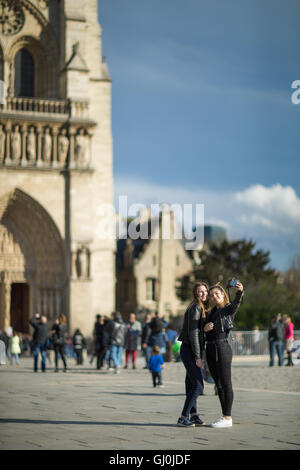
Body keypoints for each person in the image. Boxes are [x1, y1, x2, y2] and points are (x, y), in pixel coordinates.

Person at [204, 280, 244, 428]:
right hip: (210, 348)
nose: (214, 296)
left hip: (222, 347)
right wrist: (205, 329)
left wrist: (239, 292)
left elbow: (236, 305)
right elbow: (204, 329)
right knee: (218, 384)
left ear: (223, 295)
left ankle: (228, 417)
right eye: (211, 295)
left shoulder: (228, 308)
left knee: (226, 383)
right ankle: (224, 416)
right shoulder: (212, 312)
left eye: (217, 294)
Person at [176, 282, 209, 427]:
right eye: (200, 291)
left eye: (205, 291)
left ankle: (194, 415)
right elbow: (193, 333)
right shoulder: (196, 307)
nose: (204, 294)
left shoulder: (196, 306)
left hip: (188, 348)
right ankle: (183, 417)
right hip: (190, 350)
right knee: (198, 385)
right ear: (195, 293)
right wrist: (198, 356)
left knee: (190, 383)